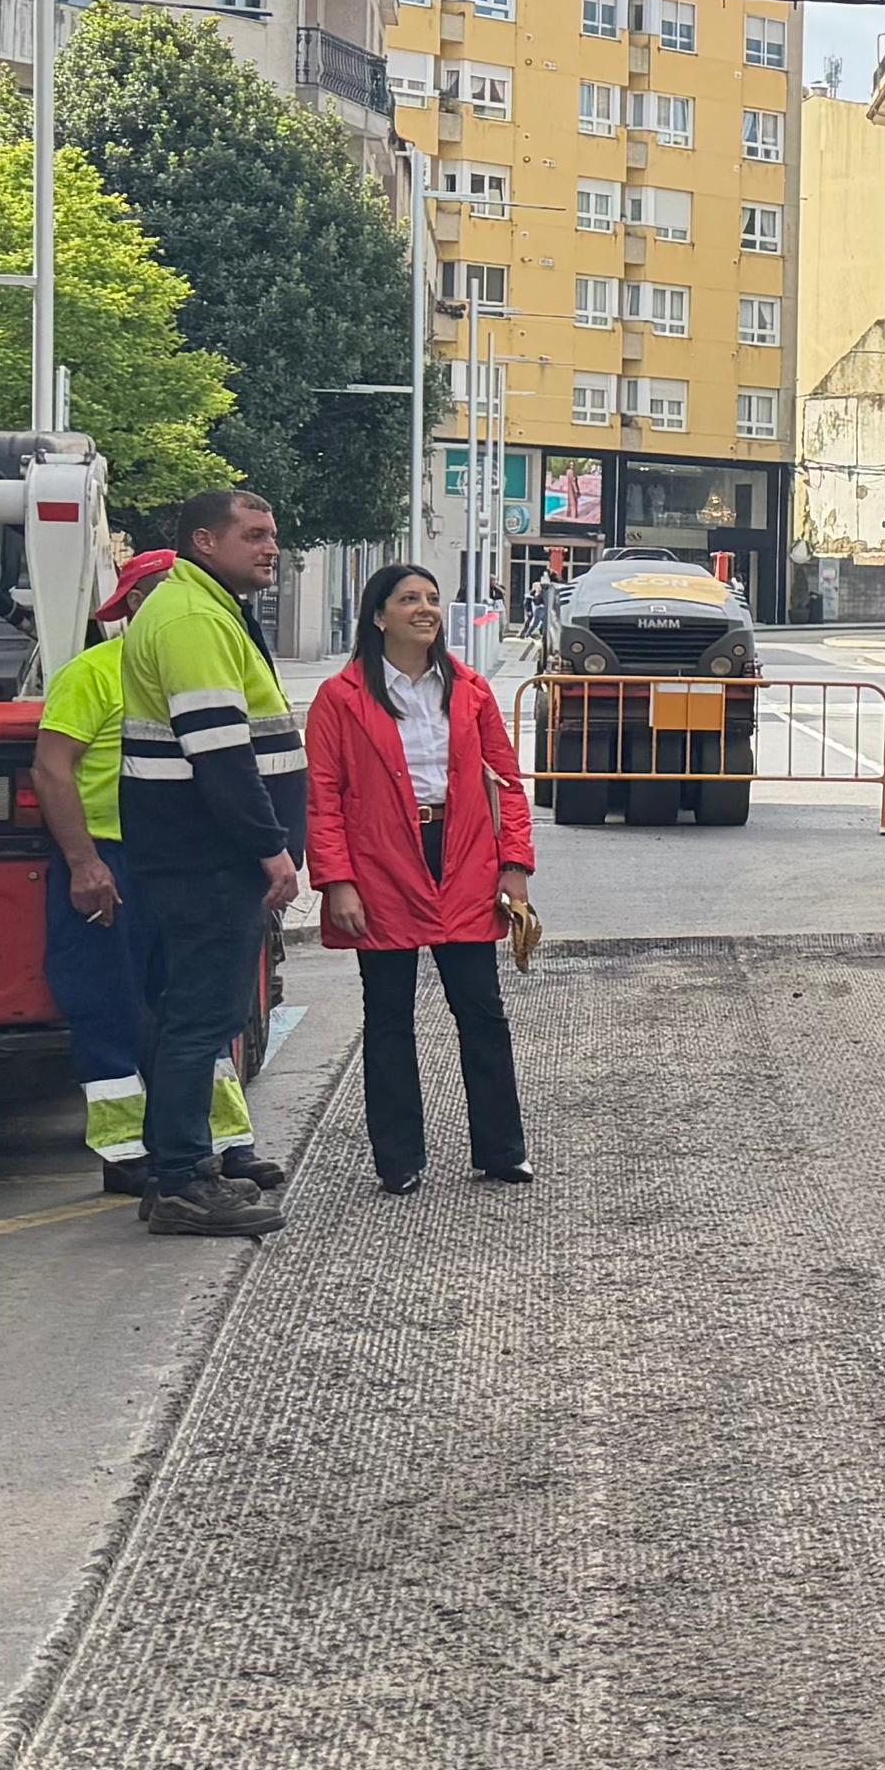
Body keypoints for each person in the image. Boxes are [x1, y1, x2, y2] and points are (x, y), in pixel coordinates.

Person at [29, 550, 261, 1192]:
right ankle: (127, 1153)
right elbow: (52, 770)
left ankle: (223, 1143)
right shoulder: (92, 674)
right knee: (108, 1006)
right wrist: (83, 863)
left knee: (202, 1009)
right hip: (113, 863)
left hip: (188, 860)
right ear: (135, 606)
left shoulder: (211, 669)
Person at [306, 563, 538, 1194]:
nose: (425, 608)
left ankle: (502, 1150)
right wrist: (337, 881)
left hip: (463, 858)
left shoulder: (470, 690)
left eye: (432, 598)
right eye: (409, 599)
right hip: (380, 865)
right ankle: (399, 1159)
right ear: (379, 616)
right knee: (388, 1017)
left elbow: (507, 783)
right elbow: (323, 797)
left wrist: (514, 865)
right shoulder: (340, 698)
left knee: (482, 1011)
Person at [117, 487, 310, 1241]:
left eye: (272, 534)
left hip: (194, 851)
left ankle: (177, 1167)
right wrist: (269, 847)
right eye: (254, 534)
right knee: (202, 1018)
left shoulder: (202, 607)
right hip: (209, 855)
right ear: (204, 540)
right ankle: (183, 1181)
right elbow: (220, 753)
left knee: (192, 1014)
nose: (271, 548)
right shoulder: (194, 617)